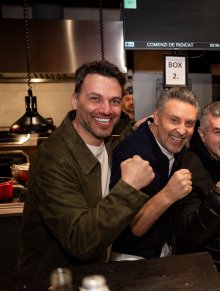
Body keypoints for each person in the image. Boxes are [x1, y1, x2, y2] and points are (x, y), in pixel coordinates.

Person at [18, 60, 155, 272]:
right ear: (75, 101)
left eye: (115, 101)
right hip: (54, 282)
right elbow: (80, 241)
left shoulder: (107, 143)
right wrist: (129, 187)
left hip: (94, 275)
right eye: (95, 99)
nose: (106, 110)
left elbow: (112, 146)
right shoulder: (53, 158)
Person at [109, 86, 199, 261]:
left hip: (162, 250)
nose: (181, 130)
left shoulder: (175, 148)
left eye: (189, 123)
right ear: (156, 117)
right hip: (131, 256)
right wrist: (169, 194)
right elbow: (133, 228)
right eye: (174, 120)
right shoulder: (132, 154)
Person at [173, 101, 220, 290]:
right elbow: (187, 234)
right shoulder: (191, 166)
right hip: (207, 277)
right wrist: (219, 197)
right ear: (202, 135)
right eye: (218, 132)